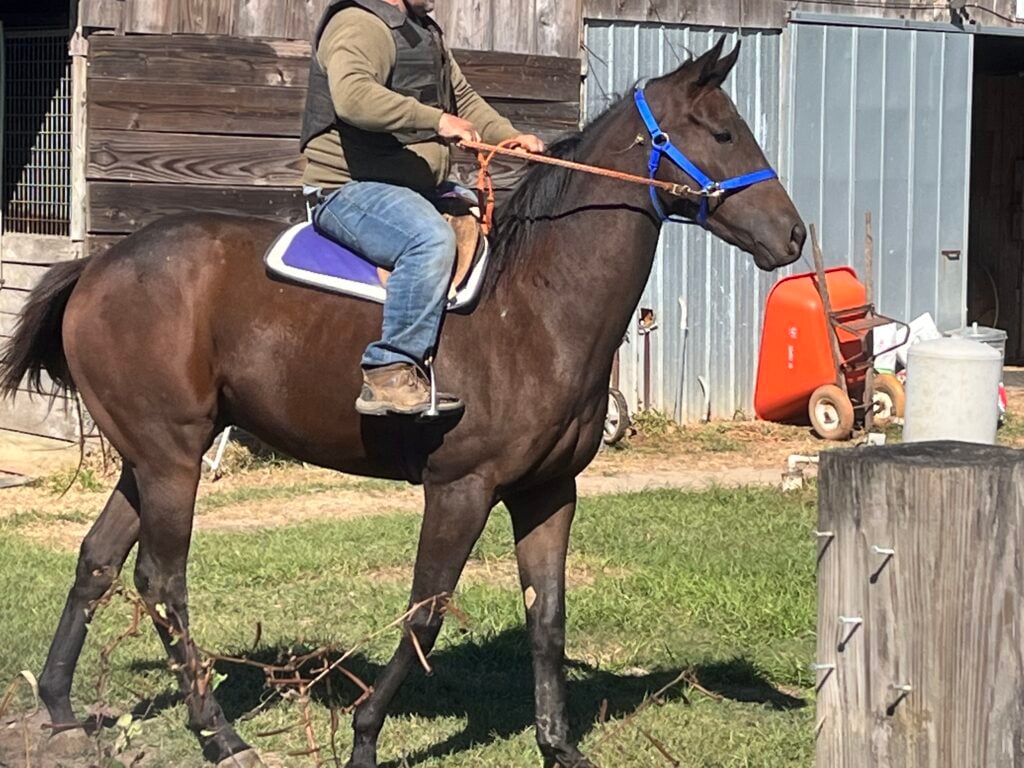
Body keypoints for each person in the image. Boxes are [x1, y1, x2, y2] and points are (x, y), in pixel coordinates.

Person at [300, 0, 545, 416]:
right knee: (428, 239)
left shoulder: (422, 30)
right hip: (348, 188)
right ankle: (388, 371)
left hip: (411, 186)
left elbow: (461, 99)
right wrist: (435, 121)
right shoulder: (359, 23)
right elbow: (353, 95)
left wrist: (507, 136)